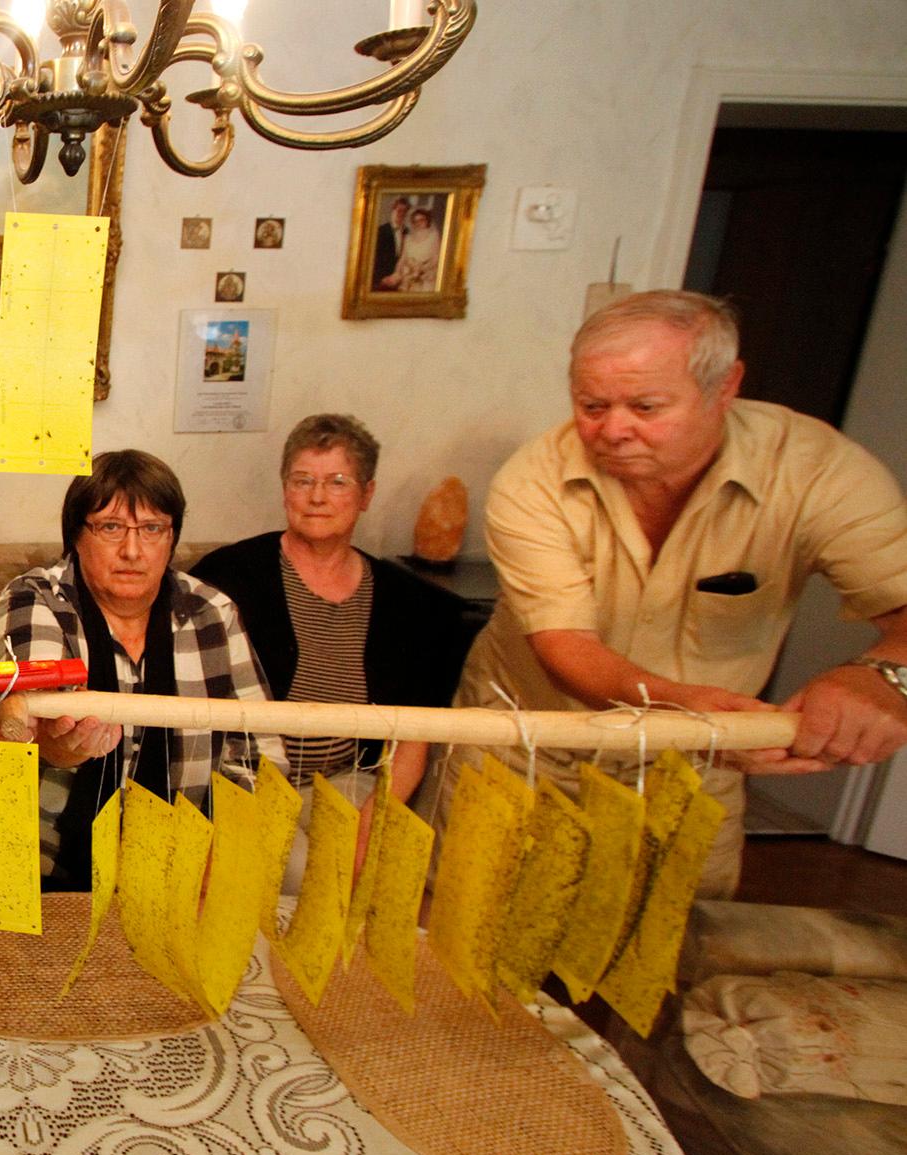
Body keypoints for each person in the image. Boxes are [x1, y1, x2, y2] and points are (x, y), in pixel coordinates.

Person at [451, 290, 907, 897]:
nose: (613, 429)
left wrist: (883, 675)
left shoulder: (817, 471)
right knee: (474, 935)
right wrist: (678, 705)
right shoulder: (532, 480)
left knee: (667, 954)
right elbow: (564, 647)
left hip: (694, 764)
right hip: (526, 745)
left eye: (645, 405)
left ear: (726, 385)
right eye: (591, 405)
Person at [0, 450, 282, 890]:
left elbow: (259, 756)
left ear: (172, 538)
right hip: (50, 861)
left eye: (151, 529)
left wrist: (226, 852)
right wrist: (64, 741)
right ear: (76, 535)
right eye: (110, 527)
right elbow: (38, 713)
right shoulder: (38, 598)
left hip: (188, 857)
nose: (132, 550)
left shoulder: (211, 613)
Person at [189, 415, 470, 830]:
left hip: (350, 784)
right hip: (244, 785)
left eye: (337, 481)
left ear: (366, 494)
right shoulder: (228, 576)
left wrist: (368, 832)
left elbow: (415, 732)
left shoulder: (405, 601)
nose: (316, 497)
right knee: (300, 874)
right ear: (285, 489)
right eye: (302, 480)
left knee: (385, 866)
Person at [394, 206, 442, 292]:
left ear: (427, 221)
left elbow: (437, 257)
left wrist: (422, 268)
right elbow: (403, 258)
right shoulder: (407, 238)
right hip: (409, 274)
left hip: (426, 276)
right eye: (415, 221)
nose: (418, 223)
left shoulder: (434, 236)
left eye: (421, 220)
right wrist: (397, 272)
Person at [371, 197, 410, 291]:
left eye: (404, 211)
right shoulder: (381, 230)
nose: (401, 214)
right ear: (393, 211)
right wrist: (380, 279)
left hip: (400, 279)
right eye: (399, 210)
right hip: (382, 279)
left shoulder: (408, 232)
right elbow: (374, 257)